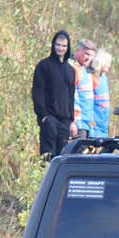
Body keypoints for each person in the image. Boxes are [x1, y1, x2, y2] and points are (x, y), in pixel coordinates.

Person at [31, 30, 76, 159]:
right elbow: (37, 92)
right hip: (49, 119)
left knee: (62, 157)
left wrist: (71, 119)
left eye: (64, 46)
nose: (60, 48)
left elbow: (71, 96)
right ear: (53, 45)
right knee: (47, 156)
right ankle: (46, 179)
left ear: (68, 48)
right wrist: (43, 115)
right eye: (58, 45)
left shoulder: (71, 70)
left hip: (65, 121)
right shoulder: (43, 66)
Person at [71, 38, 97, 138]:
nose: (89, 58)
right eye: (86, 54)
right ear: (78, 51)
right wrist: (72, 122)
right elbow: (68, 98)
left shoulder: (84, 71)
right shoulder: (73, 69)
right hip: (77, 125)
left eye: (92, 56)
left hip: (87, 125)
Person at [88, 48, 113, 139]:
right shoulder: (91, 78)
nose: (109, 65)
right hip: (94, 125)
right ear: (101, 62)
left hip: (103, 123)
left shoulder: (104, 78)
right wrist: (92, 127)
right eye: (108, 62)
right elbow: (88, 104)